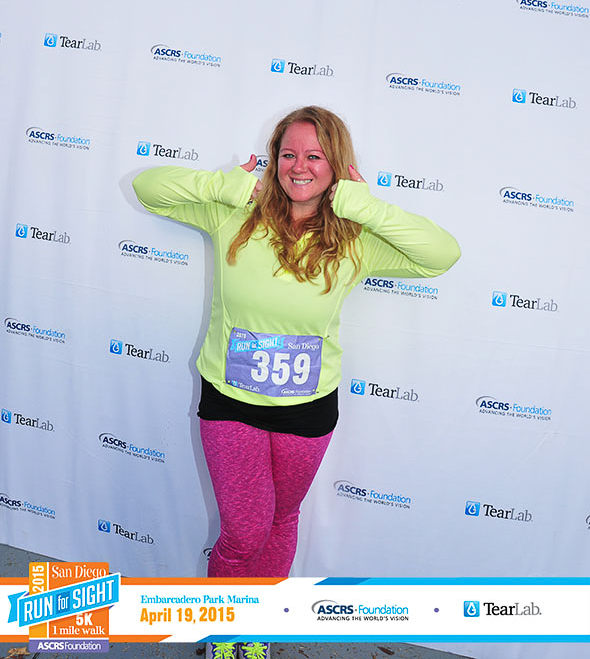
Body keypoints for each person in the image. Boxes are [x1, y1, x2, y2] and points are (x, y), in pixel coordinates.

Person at [132, 106, 460, 659]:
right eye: (288, 154)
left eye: (314, 156)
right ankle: (224, 631)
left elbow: (441, 254)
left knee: (283, 519)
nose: (299, 166)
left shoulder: (355, 239)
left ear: (337, 166)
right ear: (273, 160)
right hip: (231, 402)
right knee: (243, 532)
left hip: (307, 411)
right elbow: (148, 188)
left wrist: (363, 205)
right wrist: (224, 186)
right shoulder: (235, 214)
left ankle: (257, 628)